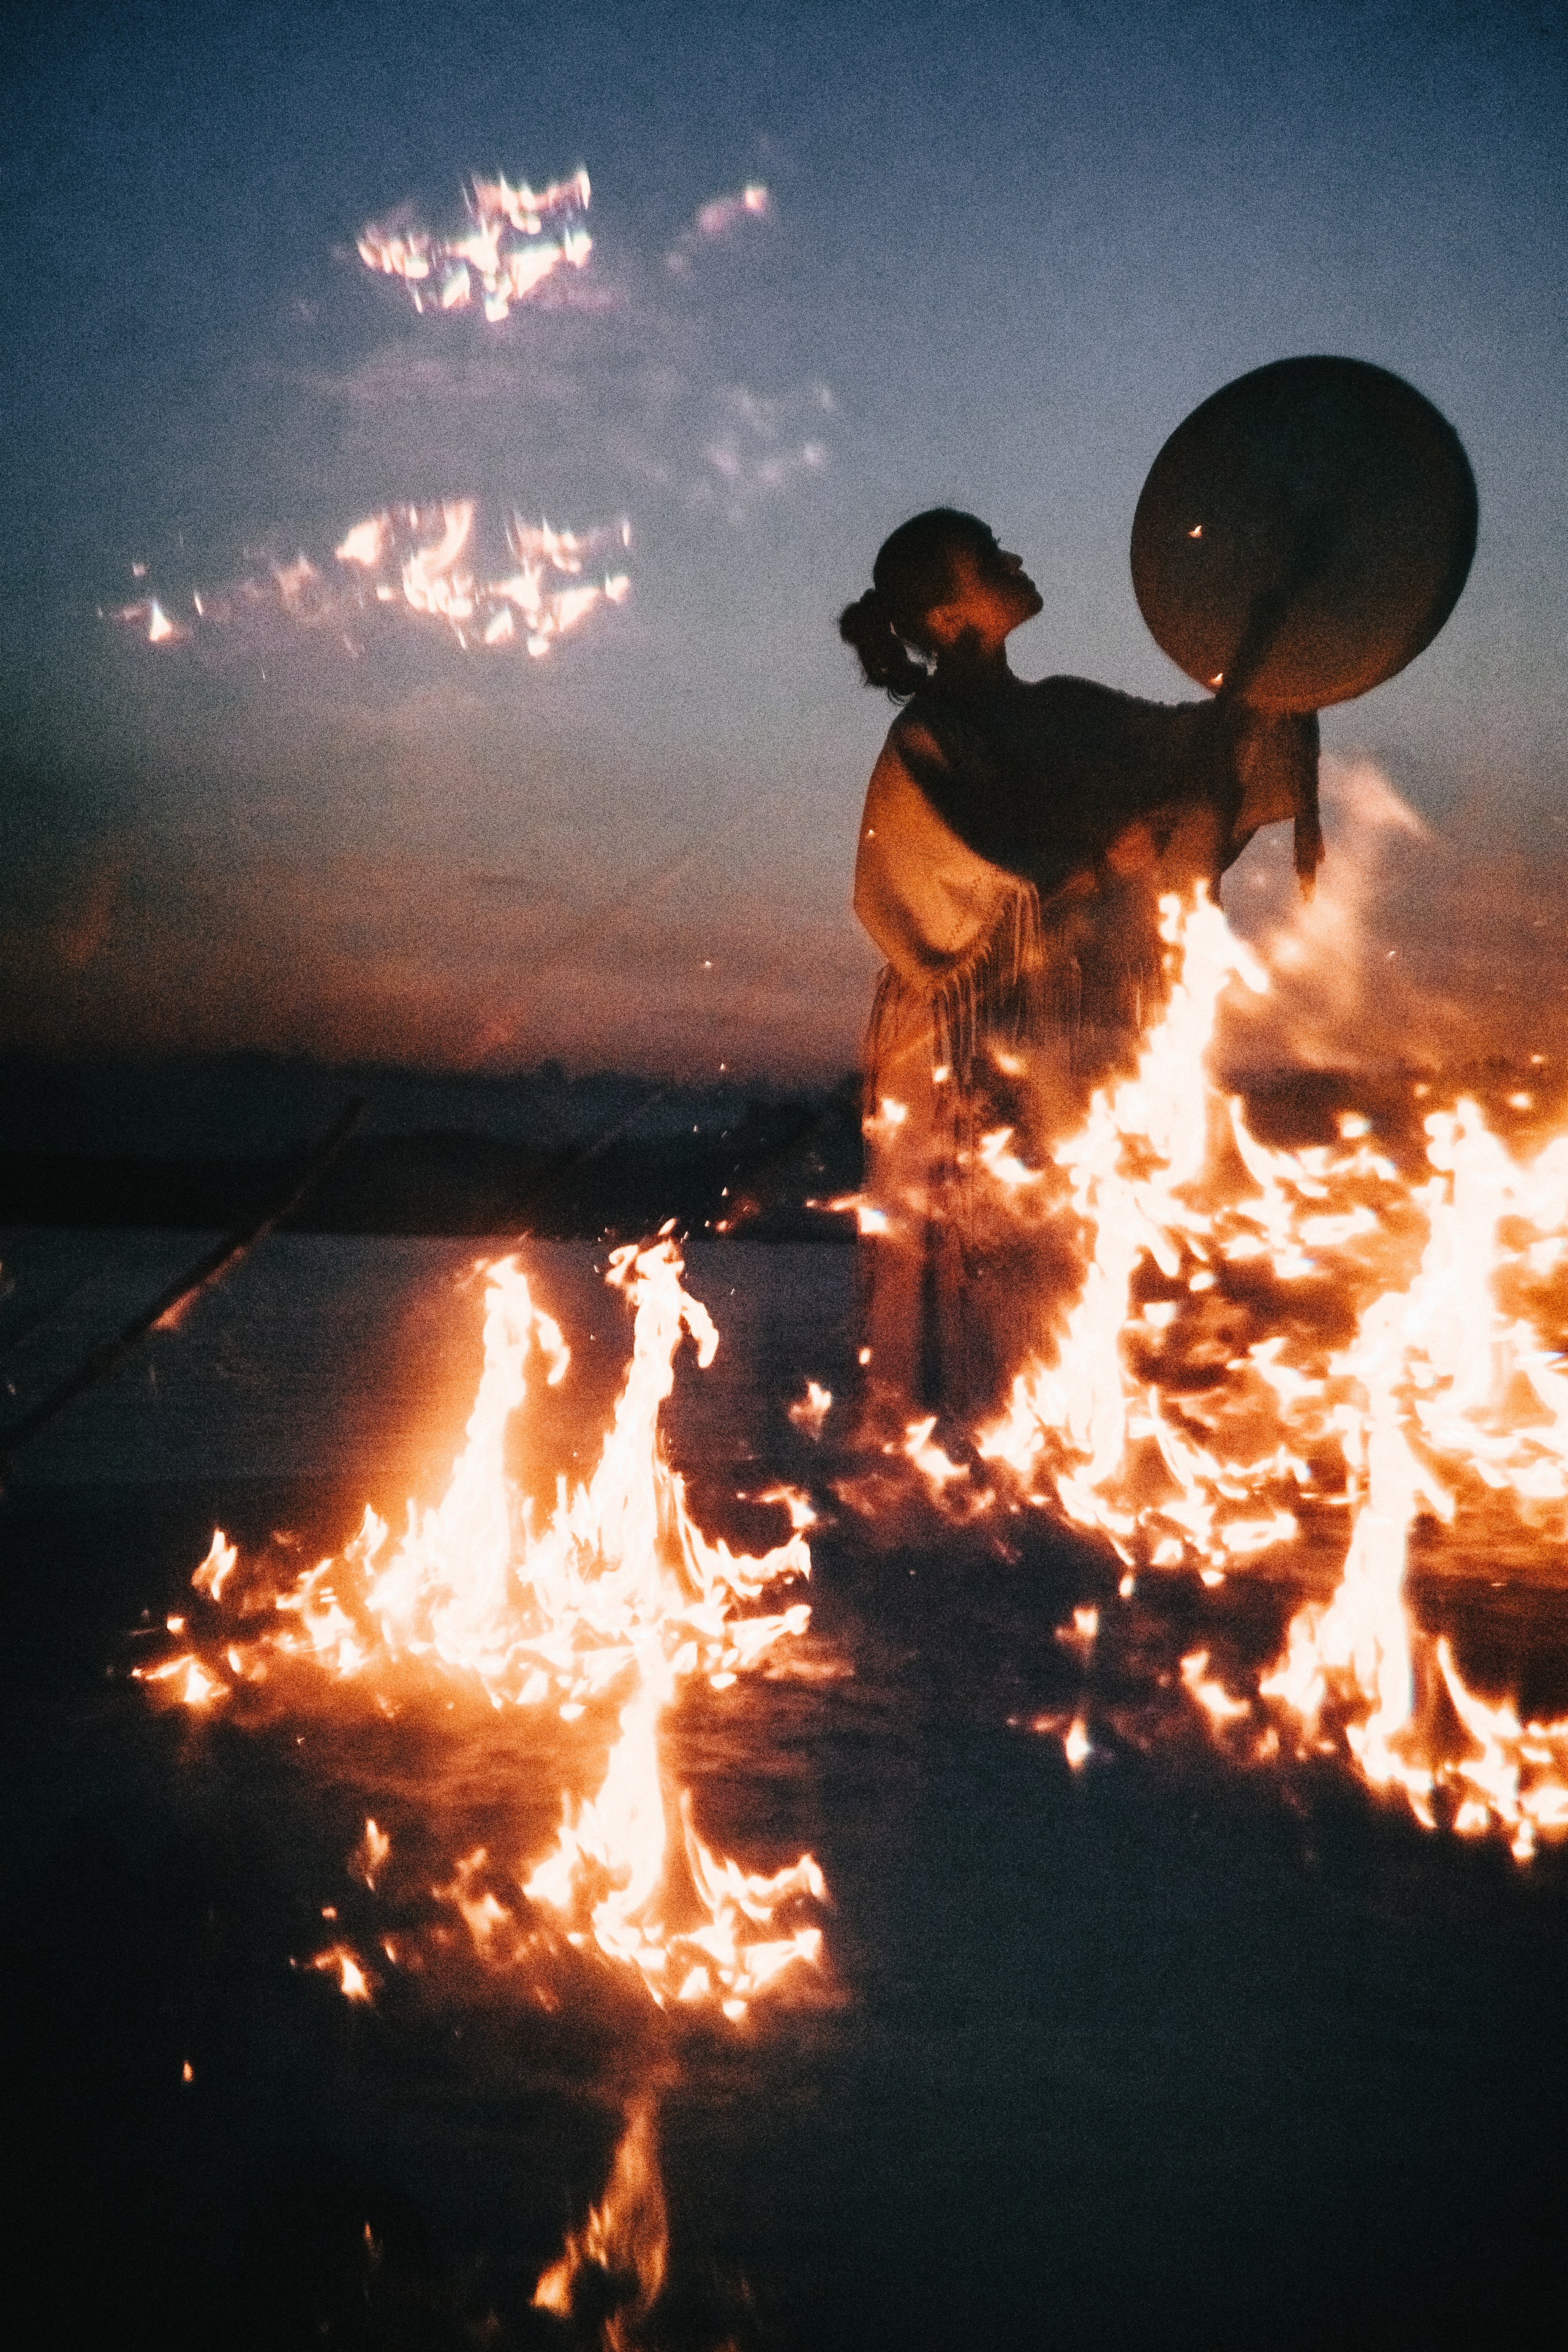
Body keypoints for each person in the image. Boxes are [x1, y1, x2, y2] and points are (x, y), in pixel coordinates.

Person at [839, 507, 1318, 1428]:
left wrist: (1291, 647)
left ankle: (1073, 1460)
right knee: (971, 1242)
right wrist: (1100, 863)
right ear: (948, 618)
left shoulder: (1065, 711)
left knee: (1073, 1238)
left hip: (1069, 1037)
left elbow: (1205, 751)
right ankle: (950, 1477)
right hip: (963, 1044)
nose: (1014, 554)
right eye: (986, 558)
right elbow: (942, 891)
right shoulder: (929, 738)